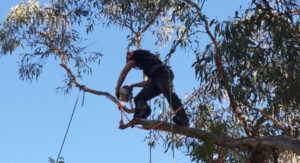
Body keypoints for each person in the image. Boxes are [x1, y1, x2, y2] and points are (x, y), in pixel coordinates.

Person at [115, 50, 189, 126]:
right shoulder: (146, 63)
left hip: (162, 73)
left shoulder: (134, 55)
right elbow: (147, 83)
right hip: (156, 79)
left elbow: (124, 72)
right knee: (139, 98)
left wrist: (117, 88)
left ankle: (183, 119)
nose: (136, 66)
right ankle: (142, 113)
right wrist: (133, 85)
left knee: (169, 93)